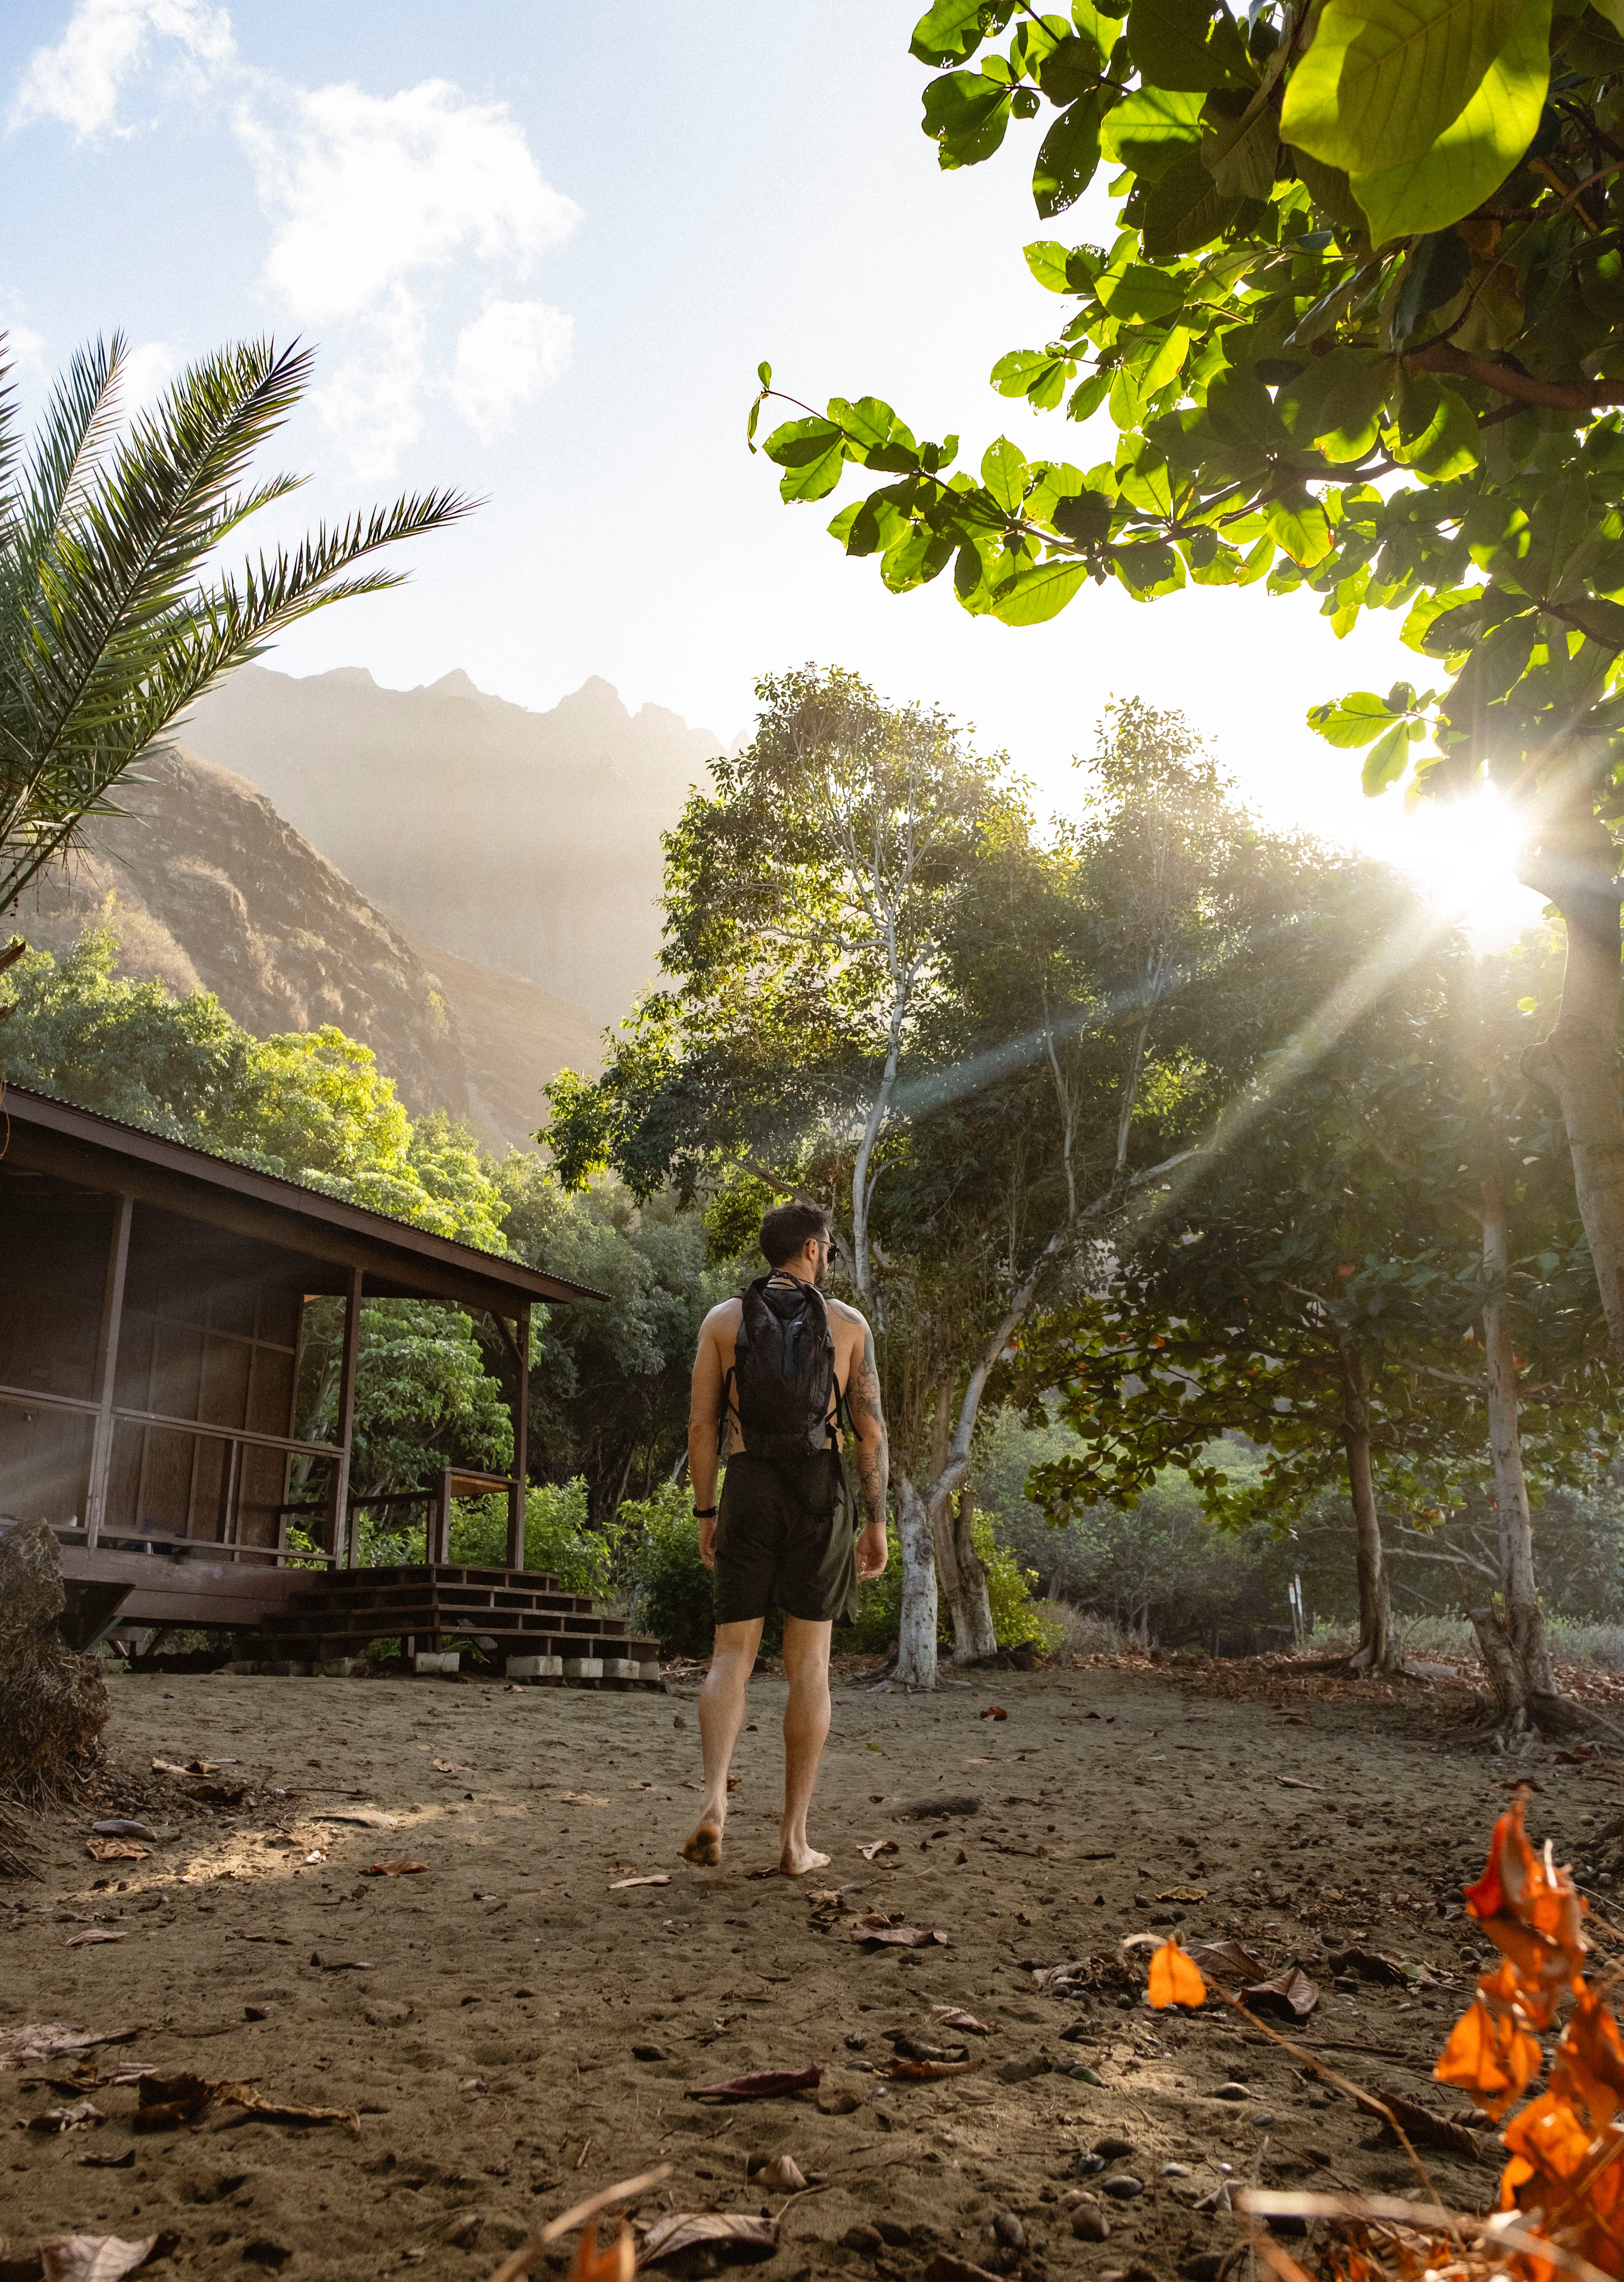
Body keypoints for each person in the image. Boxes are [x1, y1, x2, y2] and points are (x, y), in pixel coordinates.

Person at [680, 1200, 889, 1875]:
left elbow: (702, 1429)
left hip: (749, 1486)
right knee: (810, 1668)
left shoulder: (723, 1321)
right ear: (808, 1248)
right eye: (827, 1247)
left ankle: (715, 1800)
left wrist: (706, 1514)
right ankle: (794, 1843)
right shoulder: (849, 1325)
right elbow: (870, 1433)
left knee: (729, 1660)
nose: (829, 1256)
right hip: (819, 1495)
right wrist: (876, 1521)